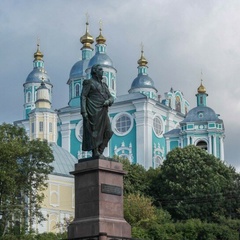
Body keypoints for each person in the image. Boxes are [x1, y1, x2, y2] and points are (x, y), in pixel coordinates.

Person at [81, 64, 114, 157]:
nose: (102, 71)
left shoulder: (104, 85)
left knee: (109, 132)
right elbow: (83, 96)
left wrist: (109, 101)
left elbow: (111, 97)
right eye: (100, 70)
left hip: (103, 111)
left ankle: (100, 150)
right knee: (94, 132)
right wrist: (84, 111)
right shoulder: (89, 82)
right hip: (93, 110)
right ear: (95, 71)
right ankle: (95, 153)